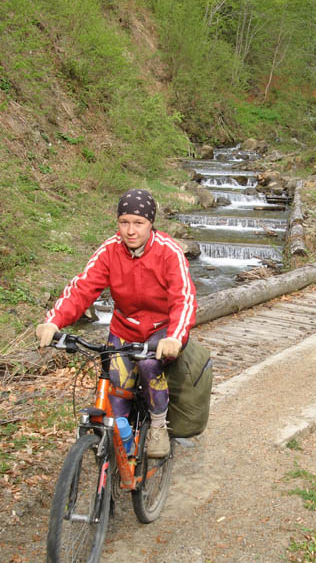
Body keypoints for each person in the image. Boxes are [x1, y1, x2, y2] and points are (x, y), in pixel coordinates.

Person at [35, 188, 197, 458]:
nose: (130, 230)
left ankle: (157, 425)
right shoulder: (109, 251)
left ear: (150, 224)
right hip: (125, 329)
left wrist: (175, 337)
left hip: (162, 329)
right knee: (117, 393)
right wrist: (53, 321)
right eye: (124, 222)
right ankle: (122, 454)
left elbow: (184, 298)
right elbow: (82, 289)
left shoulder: (168, 252)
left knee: (148, 364)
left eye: (138, 223)